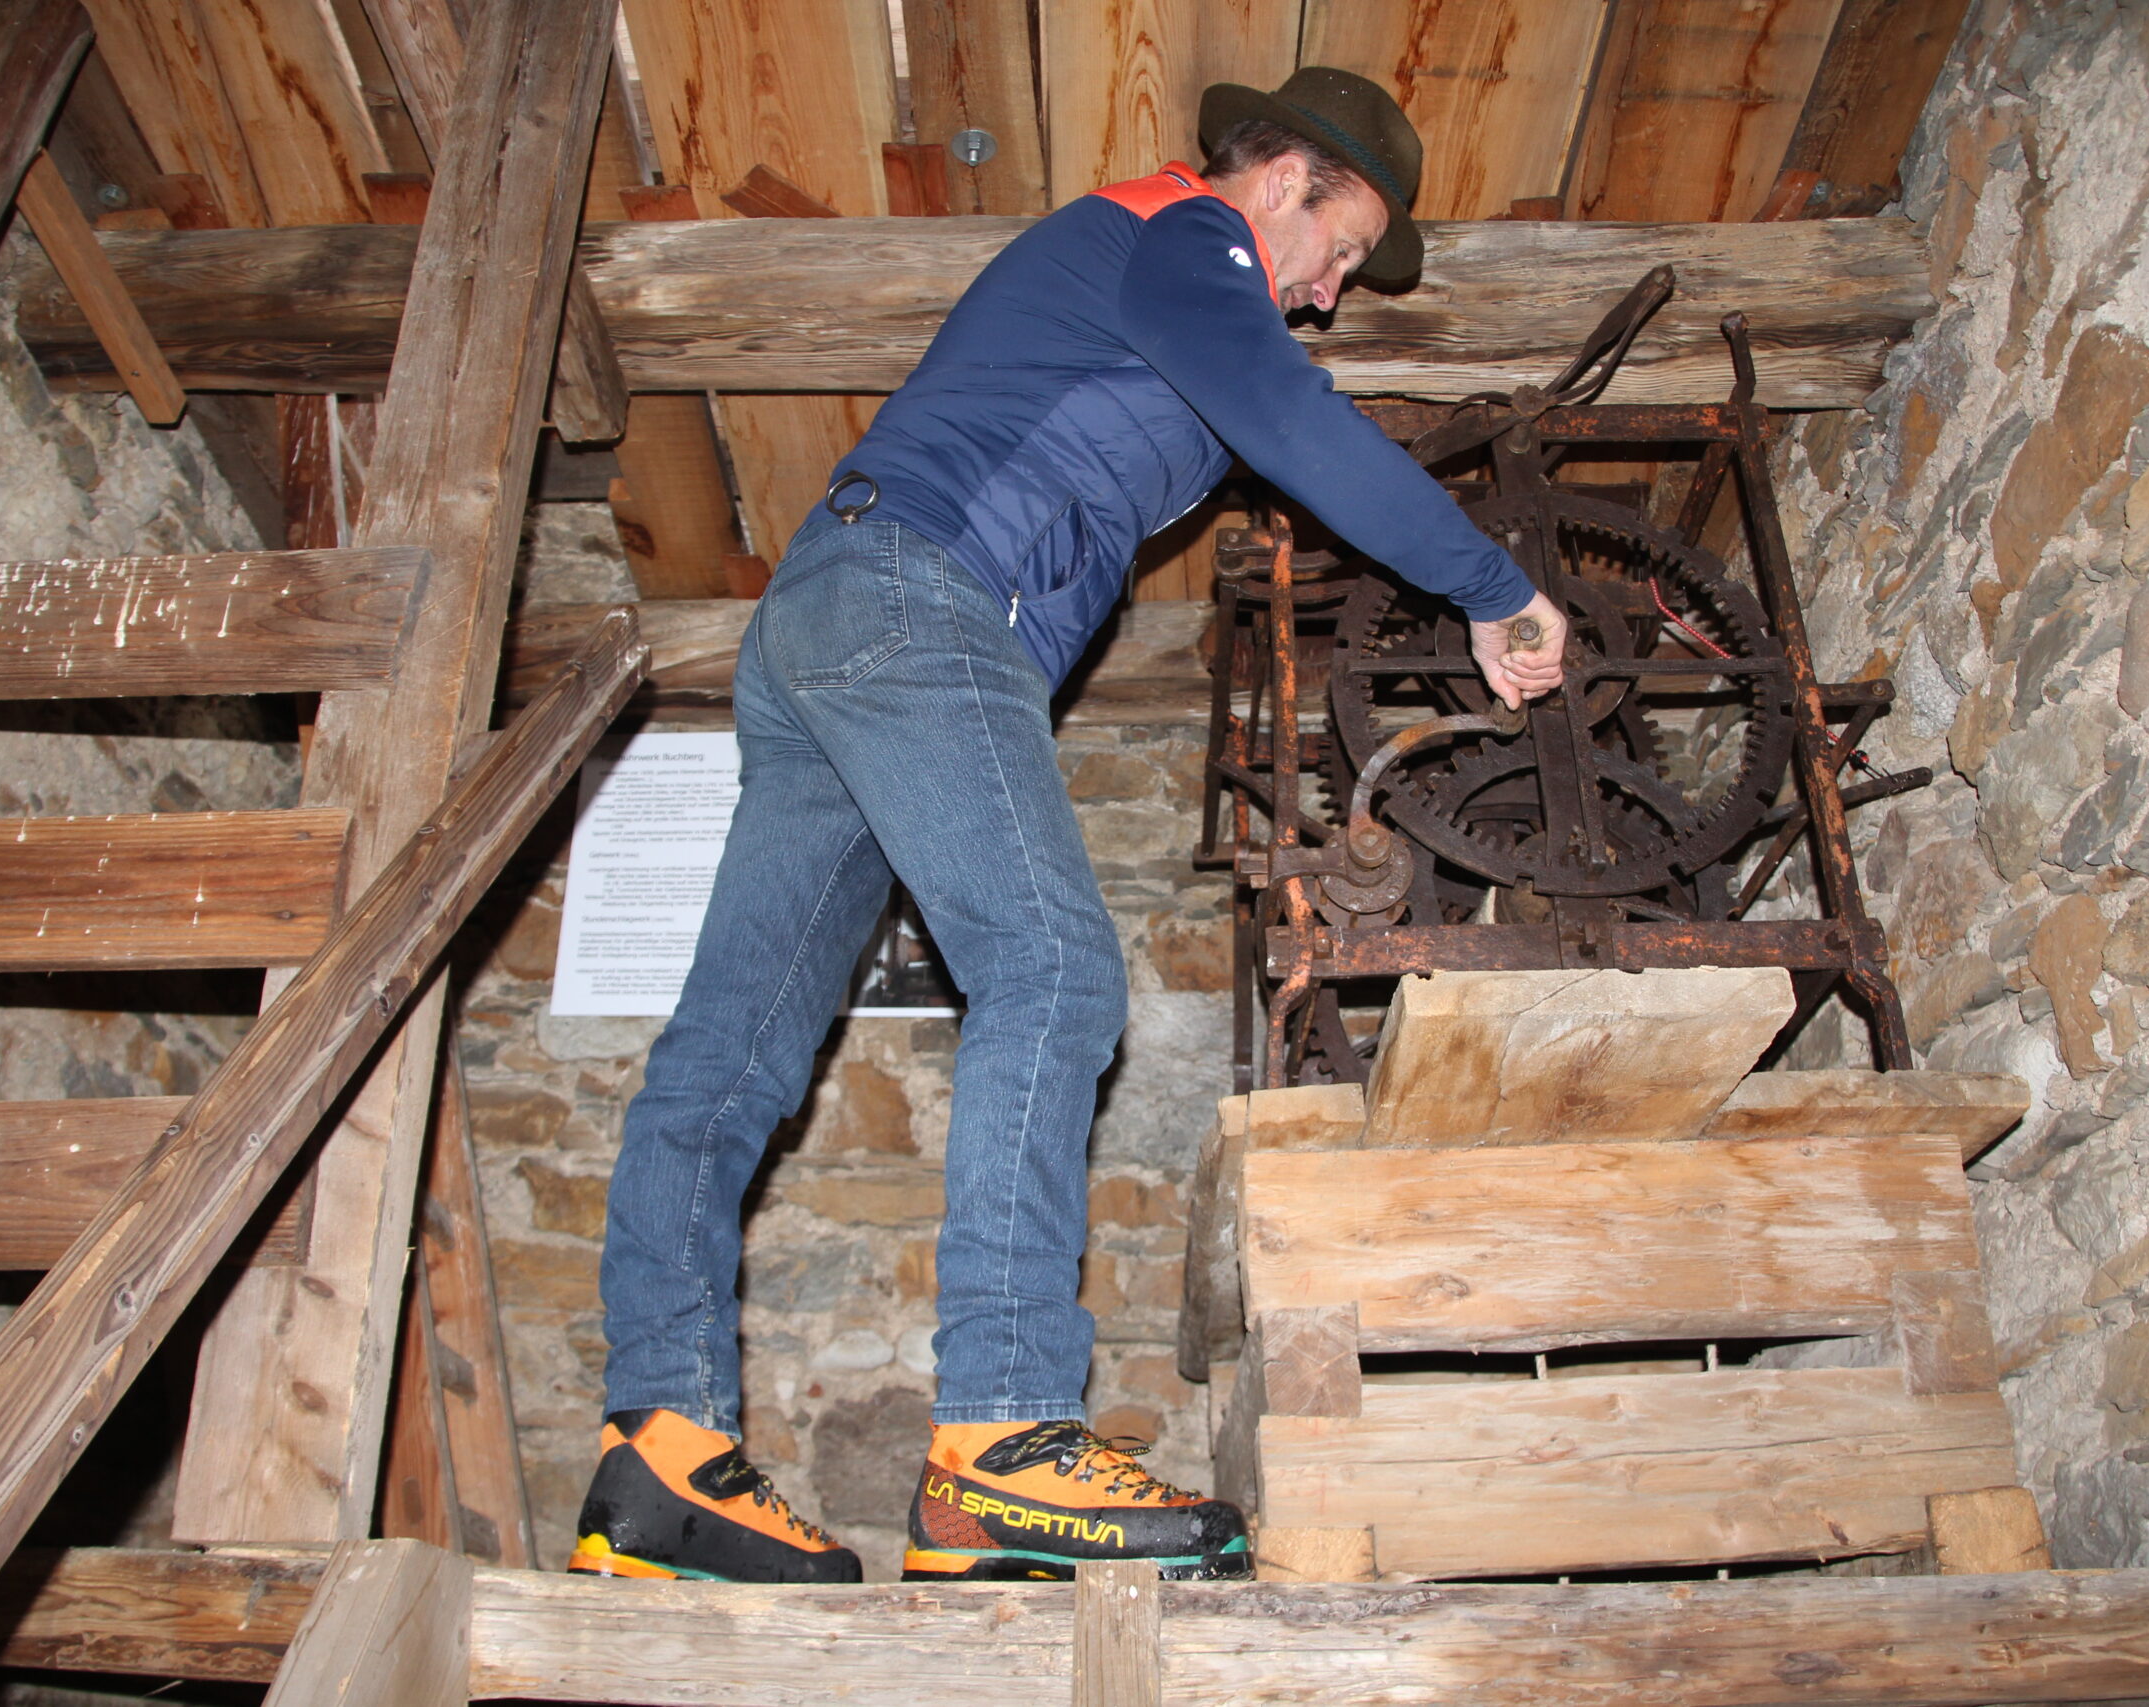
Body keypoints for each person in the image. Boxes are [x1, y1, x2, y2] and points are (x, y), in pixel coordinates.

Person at [568, 66, 1568, 1587]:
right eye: (1344, 248)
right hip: (915, 598)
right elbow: (1298, 422)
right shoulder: (1190, 238)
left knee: (735, 1045)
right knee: (1051, 967)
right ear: (1285, 180)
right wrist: (1497, 586)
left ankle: (661, 1460)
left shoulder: (1145, 278)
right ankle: (1006, 1438)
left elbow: (1255, 421)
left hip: (829, 622)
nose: (1329, 295)